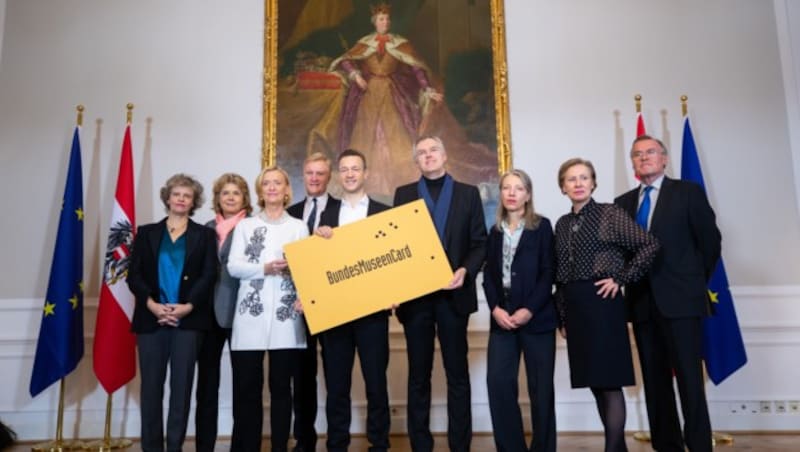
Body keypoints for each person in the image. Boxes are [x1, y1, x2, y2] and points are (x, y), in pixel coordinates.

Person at [615, 136, 721, 452]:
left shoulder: (687, 193)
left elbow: (710, 243)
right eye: (637, 154)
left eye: (650, 152)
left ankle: (700, 445)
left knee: (690, 381)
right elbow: (621, 254)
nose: (644, 158)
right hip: (642, 305)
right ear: (632, 163)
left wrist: (690, 282)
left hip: (682, 303)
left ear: (664, 159)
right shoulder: (622, 203)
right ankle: (667, 446)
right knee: (655, 382)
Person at [554, 158, 659, 452]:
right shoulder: (561, 224)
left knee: (610, 381)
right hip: (575, 307)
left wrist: (622, 278)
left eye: (584, 178)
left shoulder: (609, 214)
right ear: (563, 187)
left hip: (603, 303)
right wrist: (562, 316)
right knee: (594, 381)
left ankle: (613, 448)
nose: (578, 183)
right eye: (571, 179)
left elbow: (649, 245)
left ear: (593, 183)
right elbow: (560, 275)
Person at [393, 135, 487, 452]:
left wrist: (465, 270)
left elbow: (479, 243)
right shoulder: (404, 194)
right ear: (416, 161)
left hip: (454, 297)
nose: (428, 155)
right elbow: (395, 249)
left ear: (445, 156)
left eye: (434, 150)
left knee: (457, 374)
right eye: (421, 152)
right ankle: (421, 444)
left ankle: (460, 445)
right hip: (416, 299)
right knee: (418, 376)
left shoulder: (468, 194)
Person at [127, 173, 217, 452]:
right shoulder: (146, 233)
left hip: (188, 323)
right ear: (167, 198)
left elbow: (208, 275)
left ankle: (174, 447)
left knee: (182, 391)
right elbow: (134, 276)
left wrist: (187, 307)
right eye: (176, 194)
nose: (181, 199)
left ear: (194, 202)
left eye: (187, 195)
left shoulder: (204, 235)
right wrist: (152, 305)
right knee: (151, 391)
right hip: (151, 321)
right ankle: (151, 448)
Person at [226, 166, 309, 452]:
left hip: (288, 316)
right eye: (266, 184)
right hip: (250, 316)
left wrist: (306, 295)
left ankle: (279, 447)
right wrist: (265, 268)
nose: (272, 188)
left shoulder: (298, 227)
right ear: (260, 192)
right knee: (248, 389)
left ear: (287, 190)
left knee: (282, 390)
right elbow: (234, 267)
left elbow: (308, 271)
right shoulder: (245, 226)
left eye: (278, 183)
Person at [315, 149, 391, 452]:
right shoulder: (326, 216)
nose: (349, 174)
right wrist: (318, 241)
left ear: (366, 173)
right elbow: (319, 266)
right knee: (337, 386)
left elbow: (393, 263)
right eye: (344, 169)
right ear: (338, 175)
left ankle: (380, 444)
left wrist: (393, 294)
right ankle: (337, 444)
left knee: (376, 383)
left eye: (355, 169)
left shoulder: (384, 212)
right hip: (336, 312)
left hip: (373, 312)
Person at [330, 2, 443, 196]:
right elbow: (346, 60)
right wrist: (356, 76)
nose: (385, 22)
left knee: (396, 133)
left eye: (388, 19)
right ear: (374, 22)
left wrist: (427, 88)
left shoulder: (400, 43)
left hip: (392, 93)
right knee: (364, 135)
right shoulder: (365, 42)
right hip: (368, 94)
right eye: (382, 19)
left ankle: (399, 184)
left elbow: (416, 68)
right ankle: (368, 186)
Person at [483, 169, 557, 452]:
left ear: (528, 194)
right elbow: (488, 275)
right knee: (499, 385)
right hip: (502, 318)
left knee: (540, 392)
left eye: (518, 188)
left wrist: (529, 309)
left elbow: (548, 272)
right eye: (506, 188)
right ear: (501, 194)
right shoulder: (495, 230)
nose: (512, 193)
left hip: (537, 319)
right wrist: (494, 309)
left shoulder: (542, 226)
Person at [195, 173, 252, 452]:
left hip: (242, 314)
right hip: (207, 316)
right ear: (217, 198)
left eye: (236, 193)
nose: (230, 197)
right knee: (206, 386)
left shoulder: (254, 227)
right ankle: (205, 445)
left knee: (243, 386)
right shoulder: (204, 229)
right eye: (225, 193)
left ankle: (241, 447)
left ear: (245, 199)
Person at [286, 152, 336, 452]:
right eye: (310, 173)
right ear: (302, 176)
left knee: (335, 377)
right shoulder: (290, 213)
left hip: (331, 305)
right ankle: (304, 441)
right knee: (302, 378)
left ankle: (336, 440)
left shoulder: (343, 211)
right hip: (297, 308)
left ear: (329, 177)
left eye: (320, 173)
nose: (314, 178)